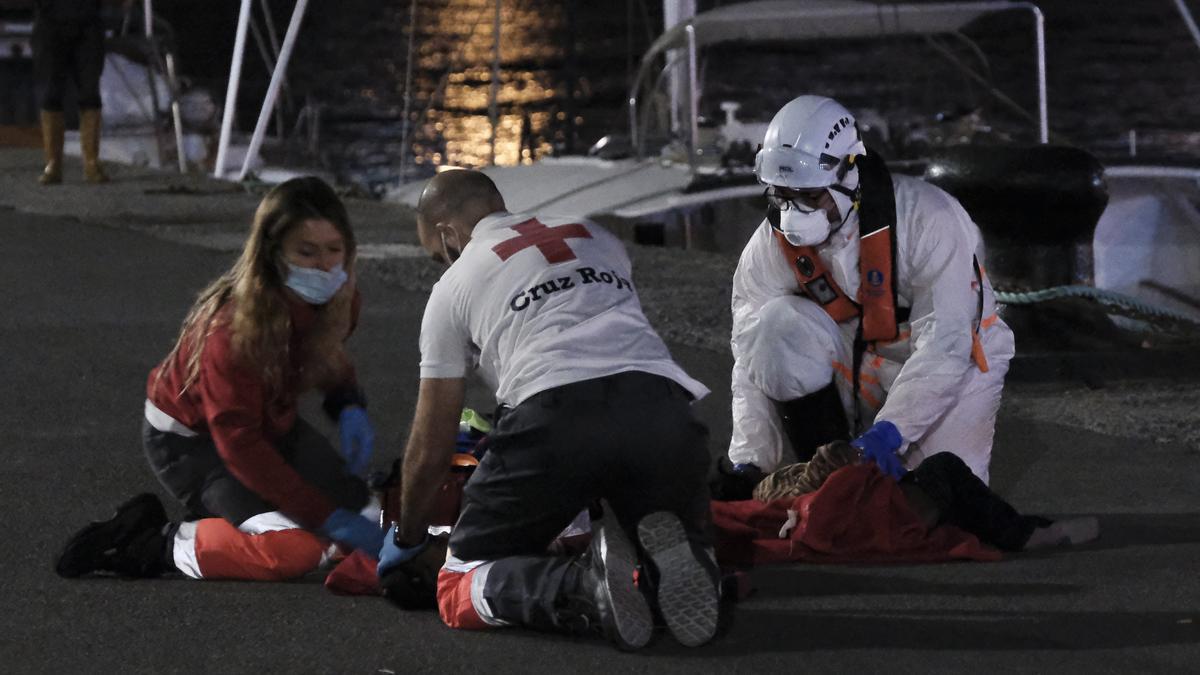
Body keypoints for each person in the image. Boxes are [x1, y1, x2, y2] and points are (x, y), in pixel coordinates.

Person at [377, 169, 721, 650]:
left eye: (438, 256)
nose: (442, 264)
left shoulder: (453, 286)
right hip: (664, 411)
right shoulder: (597, 237)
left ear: (448, 236)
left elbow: (431, 442)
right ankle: (686, 561)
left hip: (555, 417)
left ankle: (583, 589)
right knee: (647, 522)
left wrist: (409, 535)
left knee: (457, 583)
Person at [55, 177, 385, 581]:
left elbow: (326, 353)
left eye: (335, 250)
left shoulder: (340, 297)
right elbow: (239, 443)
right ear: (273, 254)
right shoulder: (230, 331)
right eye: (307, 252)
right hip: (194, 445)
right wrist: (326, 515)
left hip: (267, 424)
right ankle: (155, 542)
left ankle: (237, 513)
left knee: (372, 514)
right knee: (293, 550)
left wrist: (347, 402)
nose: (326, 266)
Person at [718, 94, 1015, 499]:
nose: (793, 217)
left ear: (849, 174)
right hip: (853, 352)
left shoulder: (929, 219)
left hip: (948, 359)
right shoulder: (770, 243)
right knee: (773, 325)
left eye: (810, 197)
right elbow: (750, 353)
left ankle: (869, 458)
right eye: (782, 196)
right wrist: (749, 461)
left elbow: (947, 342)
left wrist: (889, 434)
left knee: (944, 501)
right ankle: (823, 476)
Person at [753, 441, 1100, 552]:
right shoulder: (766, 491)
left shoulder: (769, 485)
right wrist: (832, 461)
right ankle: (1024, 534)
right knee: (944, 467)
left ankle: (1021, 530)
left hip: (873, 502)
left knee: (945, 484)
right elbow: (805, 499)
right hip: (881, 515)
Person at [33, 0, 112, 184]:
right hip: (50, 21)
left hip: (87, 21)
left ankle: (91, 162)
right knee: (51, 93)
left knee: (90, 91)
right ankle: (53, 163)